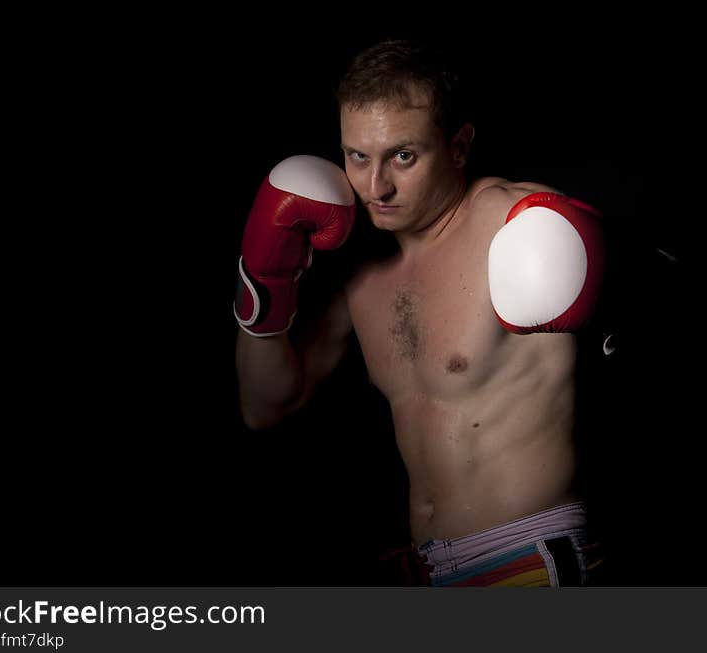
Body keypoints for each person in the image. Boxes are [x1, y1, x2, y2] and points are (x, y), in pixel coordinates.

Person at [234, 39, 612, 587]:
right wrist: (262, 286)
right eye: (357, 156)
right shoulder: (360, 269)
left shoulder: (520, 224)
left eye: (402, 156)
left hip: (528, 559)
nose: (375, 185)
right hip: (431, 573)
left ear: (458, 146)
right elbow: (264, 407)